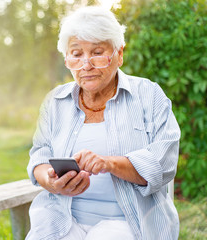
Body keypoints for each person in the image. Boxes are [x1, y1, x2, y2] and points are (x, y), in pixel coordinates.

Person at [26, 6, 180, 240]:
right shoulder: (55, 102)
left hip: (128, 222)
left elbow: (164, 162)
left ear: (119, 54)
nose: (86, 65)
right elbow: (39, 154)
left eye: (97, 52)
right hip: (61, 218)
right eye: (76, 54)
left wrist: (109, 163)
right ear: (67, 59)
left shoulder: (149, 95)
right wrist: (49, 180)